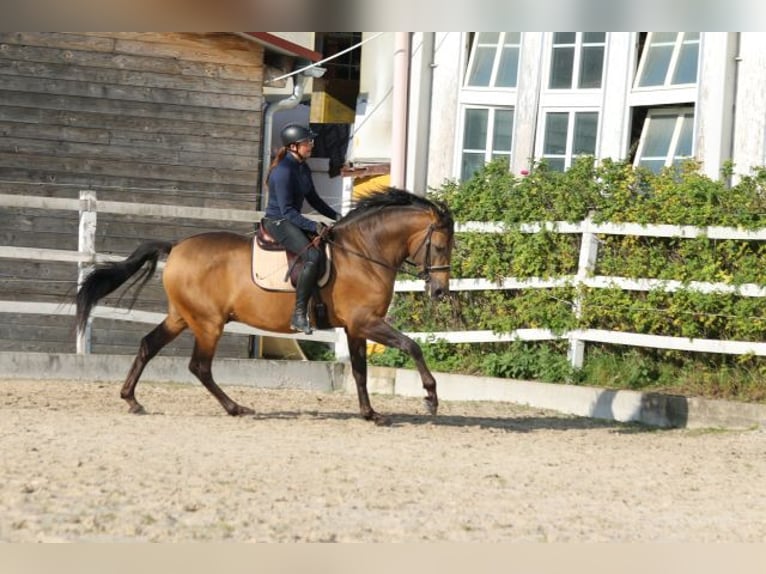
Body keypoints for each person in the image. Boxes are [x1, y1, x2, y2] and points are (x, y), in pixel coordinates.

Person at [262, 123, 340, 334]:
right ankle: (298, 315)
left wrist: (338, 217)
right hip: (278, 222)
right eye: (307, 142)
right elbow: (287, 212)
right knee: (312, 257)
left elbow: (314, 199)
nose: (311, 145)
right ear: (293, 146)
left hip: (291, 218)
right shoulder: (283, 172)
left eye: (310, 142)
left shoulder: (302, 167)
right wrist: (314, 225)